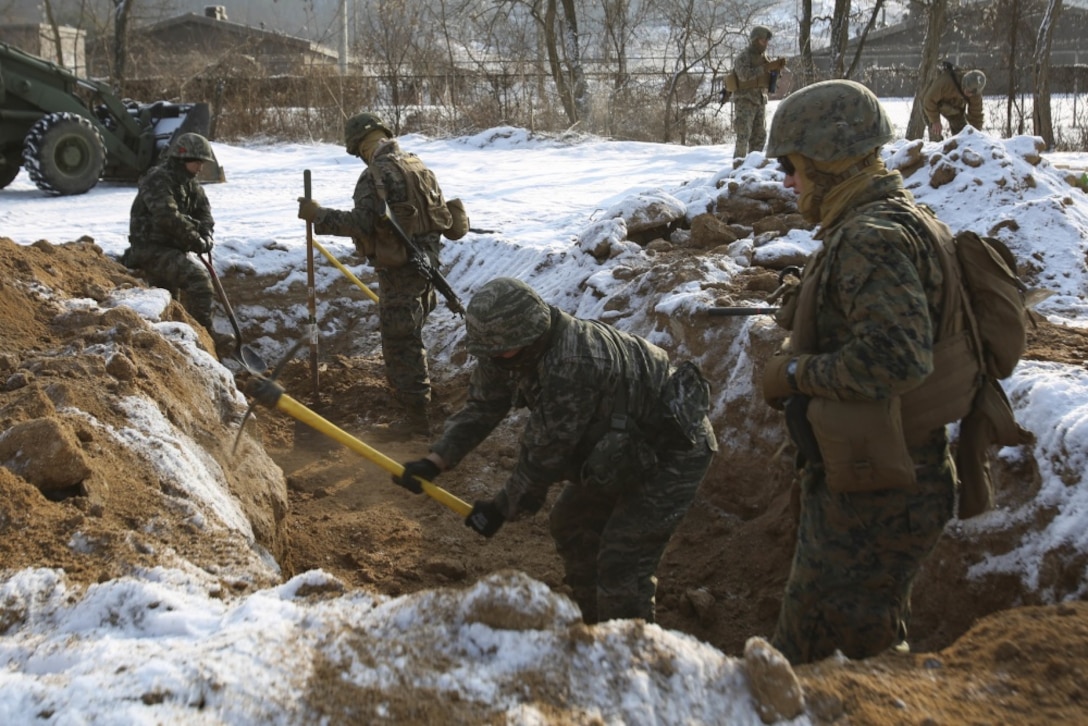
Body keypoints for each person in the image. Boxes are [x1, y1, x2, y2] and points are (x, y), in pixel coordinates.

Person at [761, 80, 965, 664]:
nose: (787, 182)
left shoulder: (870, 238)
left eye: (793, 167)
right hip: (886, 475)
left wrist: (795, 371)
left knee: (826, 668)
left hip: (880, 493)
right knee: (862, 649)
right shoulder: (894, 218)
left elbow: (897, 359)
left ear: (827, 161)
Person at [392, 277, 717, 625]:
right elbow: (482, 408)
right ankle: (596, 626)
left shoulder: (573, 363)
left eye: (502, 351)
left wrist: (501, 508)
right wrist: (435, 460)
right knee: (571, 524)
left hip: (675, 450)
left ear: (529, 335)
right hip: (617, 445)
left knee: (622, 560)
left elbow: (544, 457)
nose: (495, 358)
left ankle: (630, 656)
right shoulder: (504, 350)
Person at [297, 112, 454, 436]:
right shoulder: (417, 165)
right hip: (427, 265)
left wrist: (318, 216)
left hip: (402, 270)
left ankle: (415, 422)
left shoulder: (376, 174)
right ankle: (419, 405)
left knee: (400, 343)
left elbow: (362, 223)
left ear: (360, 146)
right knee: (410, 336)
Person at [123, 132, 233, 354]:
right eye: (197, 162)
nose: (200, 168)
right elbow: (167, 216)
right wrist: (194, 239)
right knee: (199, 280)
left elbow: (204, 213)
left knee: (170, 300)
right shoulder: (158, 179)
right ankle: (205, 335)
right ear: (183, 159)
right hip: (150, 249)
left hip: (171, 249)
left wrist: (206, 234)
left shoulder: (190, 183)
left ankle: (181, 341)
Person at [732, 25, 786, 161]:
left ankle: (752, 165)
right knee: (743, 136)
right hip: (745, 100)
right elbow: (743, 75)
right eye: (763, 40)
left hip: (759, 100)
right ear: (755, 40)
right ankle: (737, 166)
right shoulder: (744, 56)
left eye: (767, 41)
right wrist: (766, 67)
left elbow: (766, 76)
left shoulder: (763, 57)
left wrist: (776, 70)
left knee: (759, 137)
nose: (765, 44)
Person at [923, 62, 986, 140]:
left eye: (970, 92)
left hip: (954, 108)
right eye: (965, 87)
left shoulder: (976, 96)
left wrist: (975, 136)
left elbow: (976, 116)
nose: (967, 92)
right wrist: (935, 121)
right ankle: (936, 148)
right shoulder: (946, 81)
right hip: (930, 105)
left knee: (963, 135)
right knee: (935, 131)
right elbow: (929, 100)